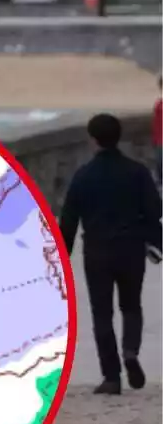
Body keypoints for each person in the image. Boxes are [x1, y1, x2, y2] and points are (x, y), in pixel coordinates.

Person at [59, 113, 163, 395]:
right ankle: (130, 350)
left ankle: (112, 377)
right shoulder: (137, 172)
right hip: (130, 249)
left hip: (97, 252)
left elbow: (68, 221)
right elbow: (155, 210)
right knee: (131, 307)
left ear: (93, 140)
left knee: (101, 313)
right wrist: (155, 242)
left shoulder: (83, 176)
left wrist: (61, 257)